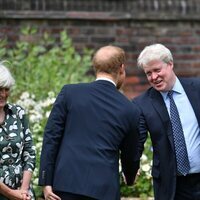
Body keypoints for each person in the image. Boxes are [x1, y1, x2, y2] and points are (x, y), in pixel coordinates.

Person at [38, 45, 140, 200]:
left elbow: (51, 137)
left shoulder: (70, 93)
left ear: (95, 67)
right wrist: (130, 177)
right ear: (121, 68)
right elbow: (130, 155)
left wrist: (46, 181)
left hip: (64, 186)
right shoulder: (129, 109)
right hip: (103, 191)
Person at [132, 43, 200, 200]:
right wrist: (131, 168)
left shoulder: (197, 88)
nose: (154, 77)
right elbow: (137, 141)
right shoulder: (142, 104)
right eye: (148, 73)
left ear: (170, 64)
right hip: (172, 186)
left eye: (157, 70)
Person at [0, 63, 36, 200]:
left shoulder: (18, 113)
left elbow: (29, 151)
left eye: (6, 89)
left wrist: (24, 190)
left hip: (22, 192)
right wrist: (11, 194)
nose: (3, 94)